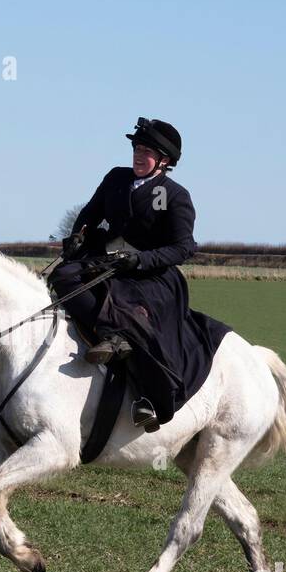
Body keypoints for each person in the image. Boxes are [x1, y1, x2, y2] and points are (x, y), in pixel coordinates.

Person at [49, 117, 199, 432]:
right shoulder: (116, 178)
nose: (137, 155)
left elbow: (184, 247)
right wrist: (79, 236)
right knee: (62, 277)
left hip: (151, 276)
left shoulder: (175, 196)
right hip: (107, 262)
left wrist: (142, 261)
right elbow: (90, 214)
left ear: (164, 160)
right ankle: (102, 334)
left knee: (134, 313)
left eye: (146, 151)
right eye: (136, 148)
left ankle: (153, 395)